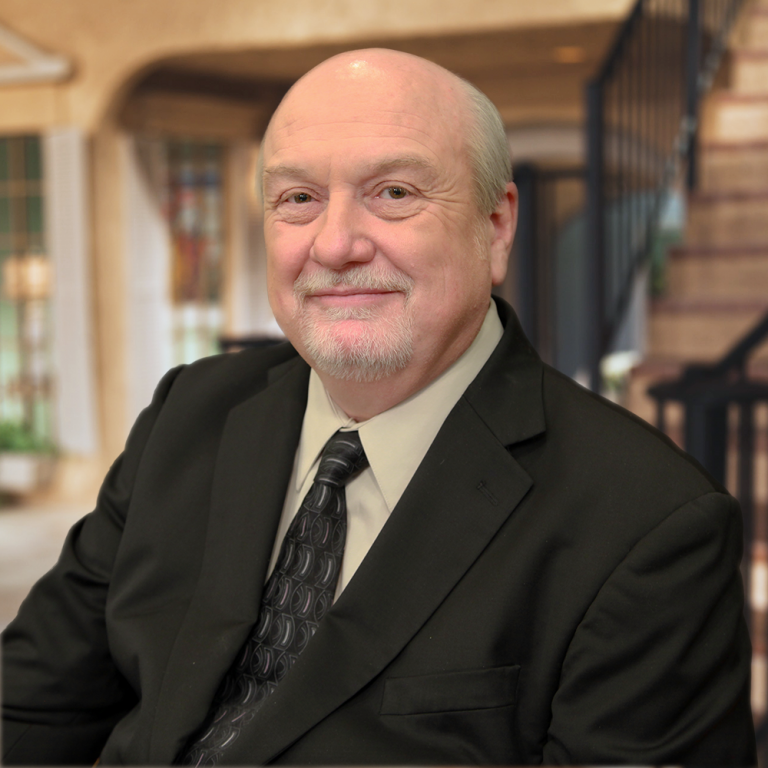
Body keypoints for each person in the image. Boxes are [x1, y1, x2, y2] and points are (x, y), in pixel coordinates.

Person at [2, 48, 756, 766]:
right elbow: (30, 703)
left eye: (394, 193)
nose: (335, 245)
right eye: (298, 198)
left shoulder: (649, 525)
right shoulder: (190, 412)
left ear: (496, 226)